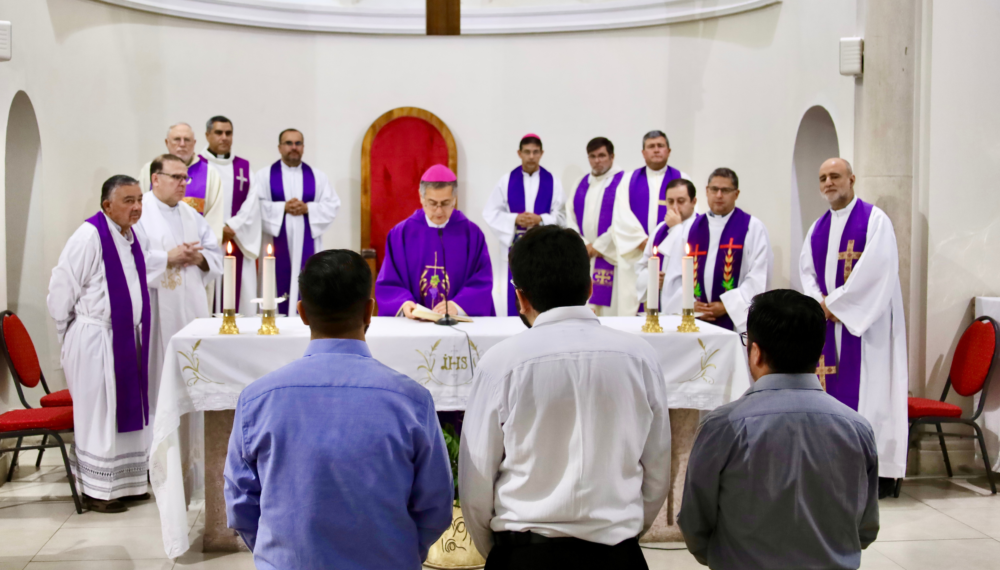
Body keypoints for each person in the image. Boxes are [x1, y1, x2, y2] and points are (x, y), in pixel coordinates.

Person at [224, 250, 454, 569]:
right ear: (370, 311)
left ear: (302, 312)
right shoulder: (412, 401)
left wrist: (279, 557)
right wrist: (400, 554)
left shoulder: (257, 399)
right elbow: (436, 505)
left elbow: (240, 505)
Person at [459, 225, 671, 570]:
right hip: (617, 556)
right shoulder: (640, 357)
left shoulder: (500, 363)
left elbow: (476, 483)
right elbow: (658, 468)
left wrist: (499, 552)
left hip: (525, 554)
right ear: (589, 288)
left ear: (521, 297)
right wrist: (624, 533)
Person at [679, 289, 879, 570]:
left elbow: (695, 524)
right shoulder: (857, 428)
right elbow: (865, 528)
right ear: (819, 351)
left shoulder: (723, 426)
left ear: (756, 352)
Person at [47, 175, 166, 513]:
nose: (137, 207)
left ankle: (127, 483)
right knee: (99, 413)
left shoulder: (133, 235)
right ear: (107, 205)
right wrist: (68, 333)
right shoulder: (88, 236)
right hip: (95, 338)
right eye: (128, 201)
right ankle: (97, 490)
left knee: (125, 411)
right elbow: (61, 288)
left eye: (139, 199)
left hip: (126, 337)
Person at [799, 158, 908, 498]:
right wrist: (819, 304)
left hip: (867, 329)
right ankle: (829, 469)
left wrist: (836, 304)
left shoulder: (875, 221)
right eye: (822, 178)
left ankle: (875, 473)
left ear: (852, 179)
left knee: (872, 394)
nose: (828, 183)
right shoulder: (817, 228)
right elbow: (807, 272)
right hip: (829, 325)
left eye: (835, 176)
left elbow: (877, 270)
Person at [376, 164, 495, 318]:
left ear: (454, 198)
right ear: (421, 196)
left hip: (457, 323)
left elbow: (482, 280)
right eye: (432, 203)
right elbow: (389, 281)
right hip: (413, 325)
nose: (439, 211)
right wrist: (403, 303)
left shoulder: (472, 234)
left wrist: (458, 305)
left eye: (445, 203)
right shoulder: (401, 234)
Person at [662, 168, 772, 331]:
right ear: (707, 191)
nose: (719, 195)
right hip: (695, 319)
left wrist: (728, 305)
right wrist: (690, 305)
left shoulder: (753, 227)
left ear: (736, 193)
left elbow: (759, 274)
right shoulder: (689, 228)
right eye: (714, 189)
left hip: (734, 322)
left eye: (725, 190)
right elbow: (675, 275)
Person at [256, 128, 341, 316]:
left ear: (303, 147)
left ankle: (307, 318)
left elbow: (333, 205)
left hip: (308, 243)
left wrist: (308, 208)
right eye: (288, 143)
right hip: (275, 244)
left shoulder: (318, 177)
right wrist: (282, 208)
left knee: (308, 277)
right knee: (276, 281)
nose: (293, 147)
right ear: (279, 147)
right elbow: (254, 207)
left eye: (298, 143)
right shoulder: (264, 176)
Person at [483, 134, 566, 316]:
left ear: (541, 153)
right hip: (515, 249)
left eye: (535, 152)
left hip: (544, 251)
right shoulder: (506, 181)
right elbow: (490, 213)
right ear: (519, 153)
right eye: (527, 152)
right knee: (512, 296)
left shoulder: (553, 182)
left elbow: (562, 217)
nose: (531, 156)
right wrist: (514, 219)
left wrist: (540, 220)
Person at [613, 130, 690, 315]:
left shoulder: (682, 179)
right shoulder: (628, 180)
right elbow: (621, 217)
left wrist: (666, 246)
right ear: (643, 152)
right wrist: (645, 243)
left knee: (669, 309)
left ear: (668, 151)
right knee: (633, 314)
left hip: (671, 257)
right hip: (636, 255)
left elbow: (690, 217)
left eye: (660, 146)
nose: (656, 150)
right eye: (651, 146)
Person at [202, 115, 262, 316]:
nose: (224, 137)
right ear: (207, 135)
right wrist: (216, 230)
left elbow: (252, 203)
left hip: (237, 238)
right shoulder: (198, 165)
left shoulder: (243, 167)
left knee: (241, 297)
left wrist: (231, 226)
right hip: (208, 241)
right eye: (218, 132)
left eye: (228, 133)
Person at [564, 137, 626, 315]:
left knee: (609, 312)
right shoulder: (580, 183)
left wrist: (599, 246)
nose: (597, 160)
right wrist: (583, 244)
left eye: (601, 155)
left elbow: (624, 219)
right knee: (584, 308)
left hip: (610, 256)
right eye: (592, 156)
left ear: (612, 156)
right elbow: (570, 216)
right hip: (585, 256)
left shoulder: (623, 182)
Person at [139, 123, 224, 238]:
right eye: (177, 139)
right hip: (156, 240)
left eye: (187, 140)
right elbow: (141, 207)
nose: (182, 144)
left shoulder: (210, 173)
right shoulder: (150, 169)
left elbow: (214, 219)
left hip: (195, 244)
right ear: (167, 142)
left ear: (194, 143)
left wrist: (204, 248)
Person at [635, 178, 698, 312]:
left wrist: (677, 228)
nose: (675, 207)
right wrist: (651, 277)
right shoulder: (660, 229)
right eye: (670, 201)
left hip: (686, 305)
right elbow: (642, 266)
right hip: (658, 304)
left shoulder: (700, 228)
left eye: (681, 201)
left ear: (693, 202)